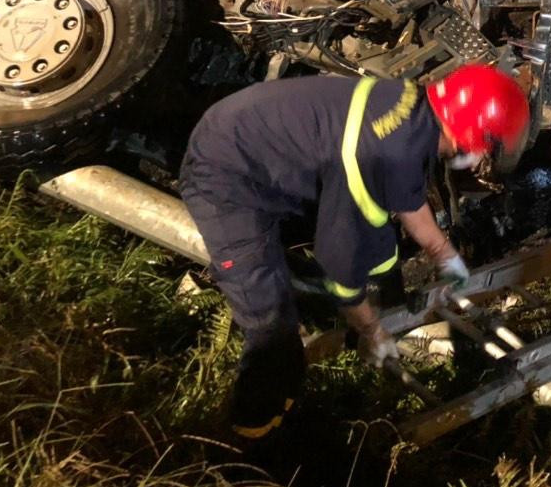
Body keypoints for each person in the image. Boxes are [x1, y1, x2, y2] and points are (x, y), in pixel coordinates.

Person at [179, 64, 529, 440]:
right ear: (473, 136)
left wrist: (444, 254)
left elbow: (407, 198)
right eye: (489, 147)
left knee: (376, 247)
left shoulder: (413, 110)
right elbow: (339, 266)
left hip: (254, 142)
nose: (483, 157)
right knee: (271, 323)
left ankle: (331, 325)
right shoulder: (381, 153)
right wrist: (371, 330)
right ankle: (250, 433)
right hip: (226, 174)